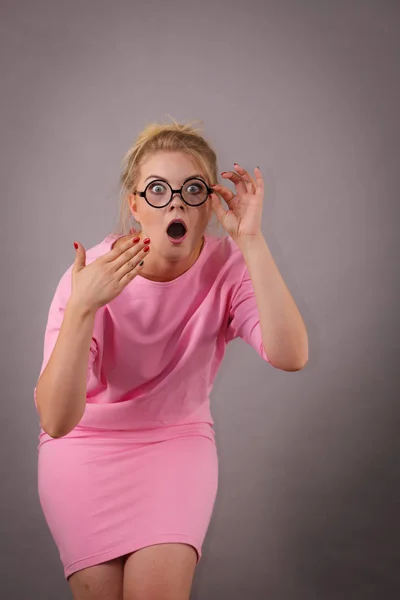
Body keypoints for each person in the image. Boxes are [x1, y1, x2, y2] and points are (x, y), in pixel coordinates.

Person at [34, 118, 308, 600]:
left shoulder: (228, 268)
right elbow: (57, 420)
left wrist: (252, 243)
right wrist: (81, 307)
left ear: (210, 205)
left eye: (193, 189)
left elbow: (291, 355)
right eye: (158, 190)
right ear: (135, 205)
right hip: (85, 448)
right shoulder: (91, 277)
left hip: (176, 444)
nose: (176, 202)